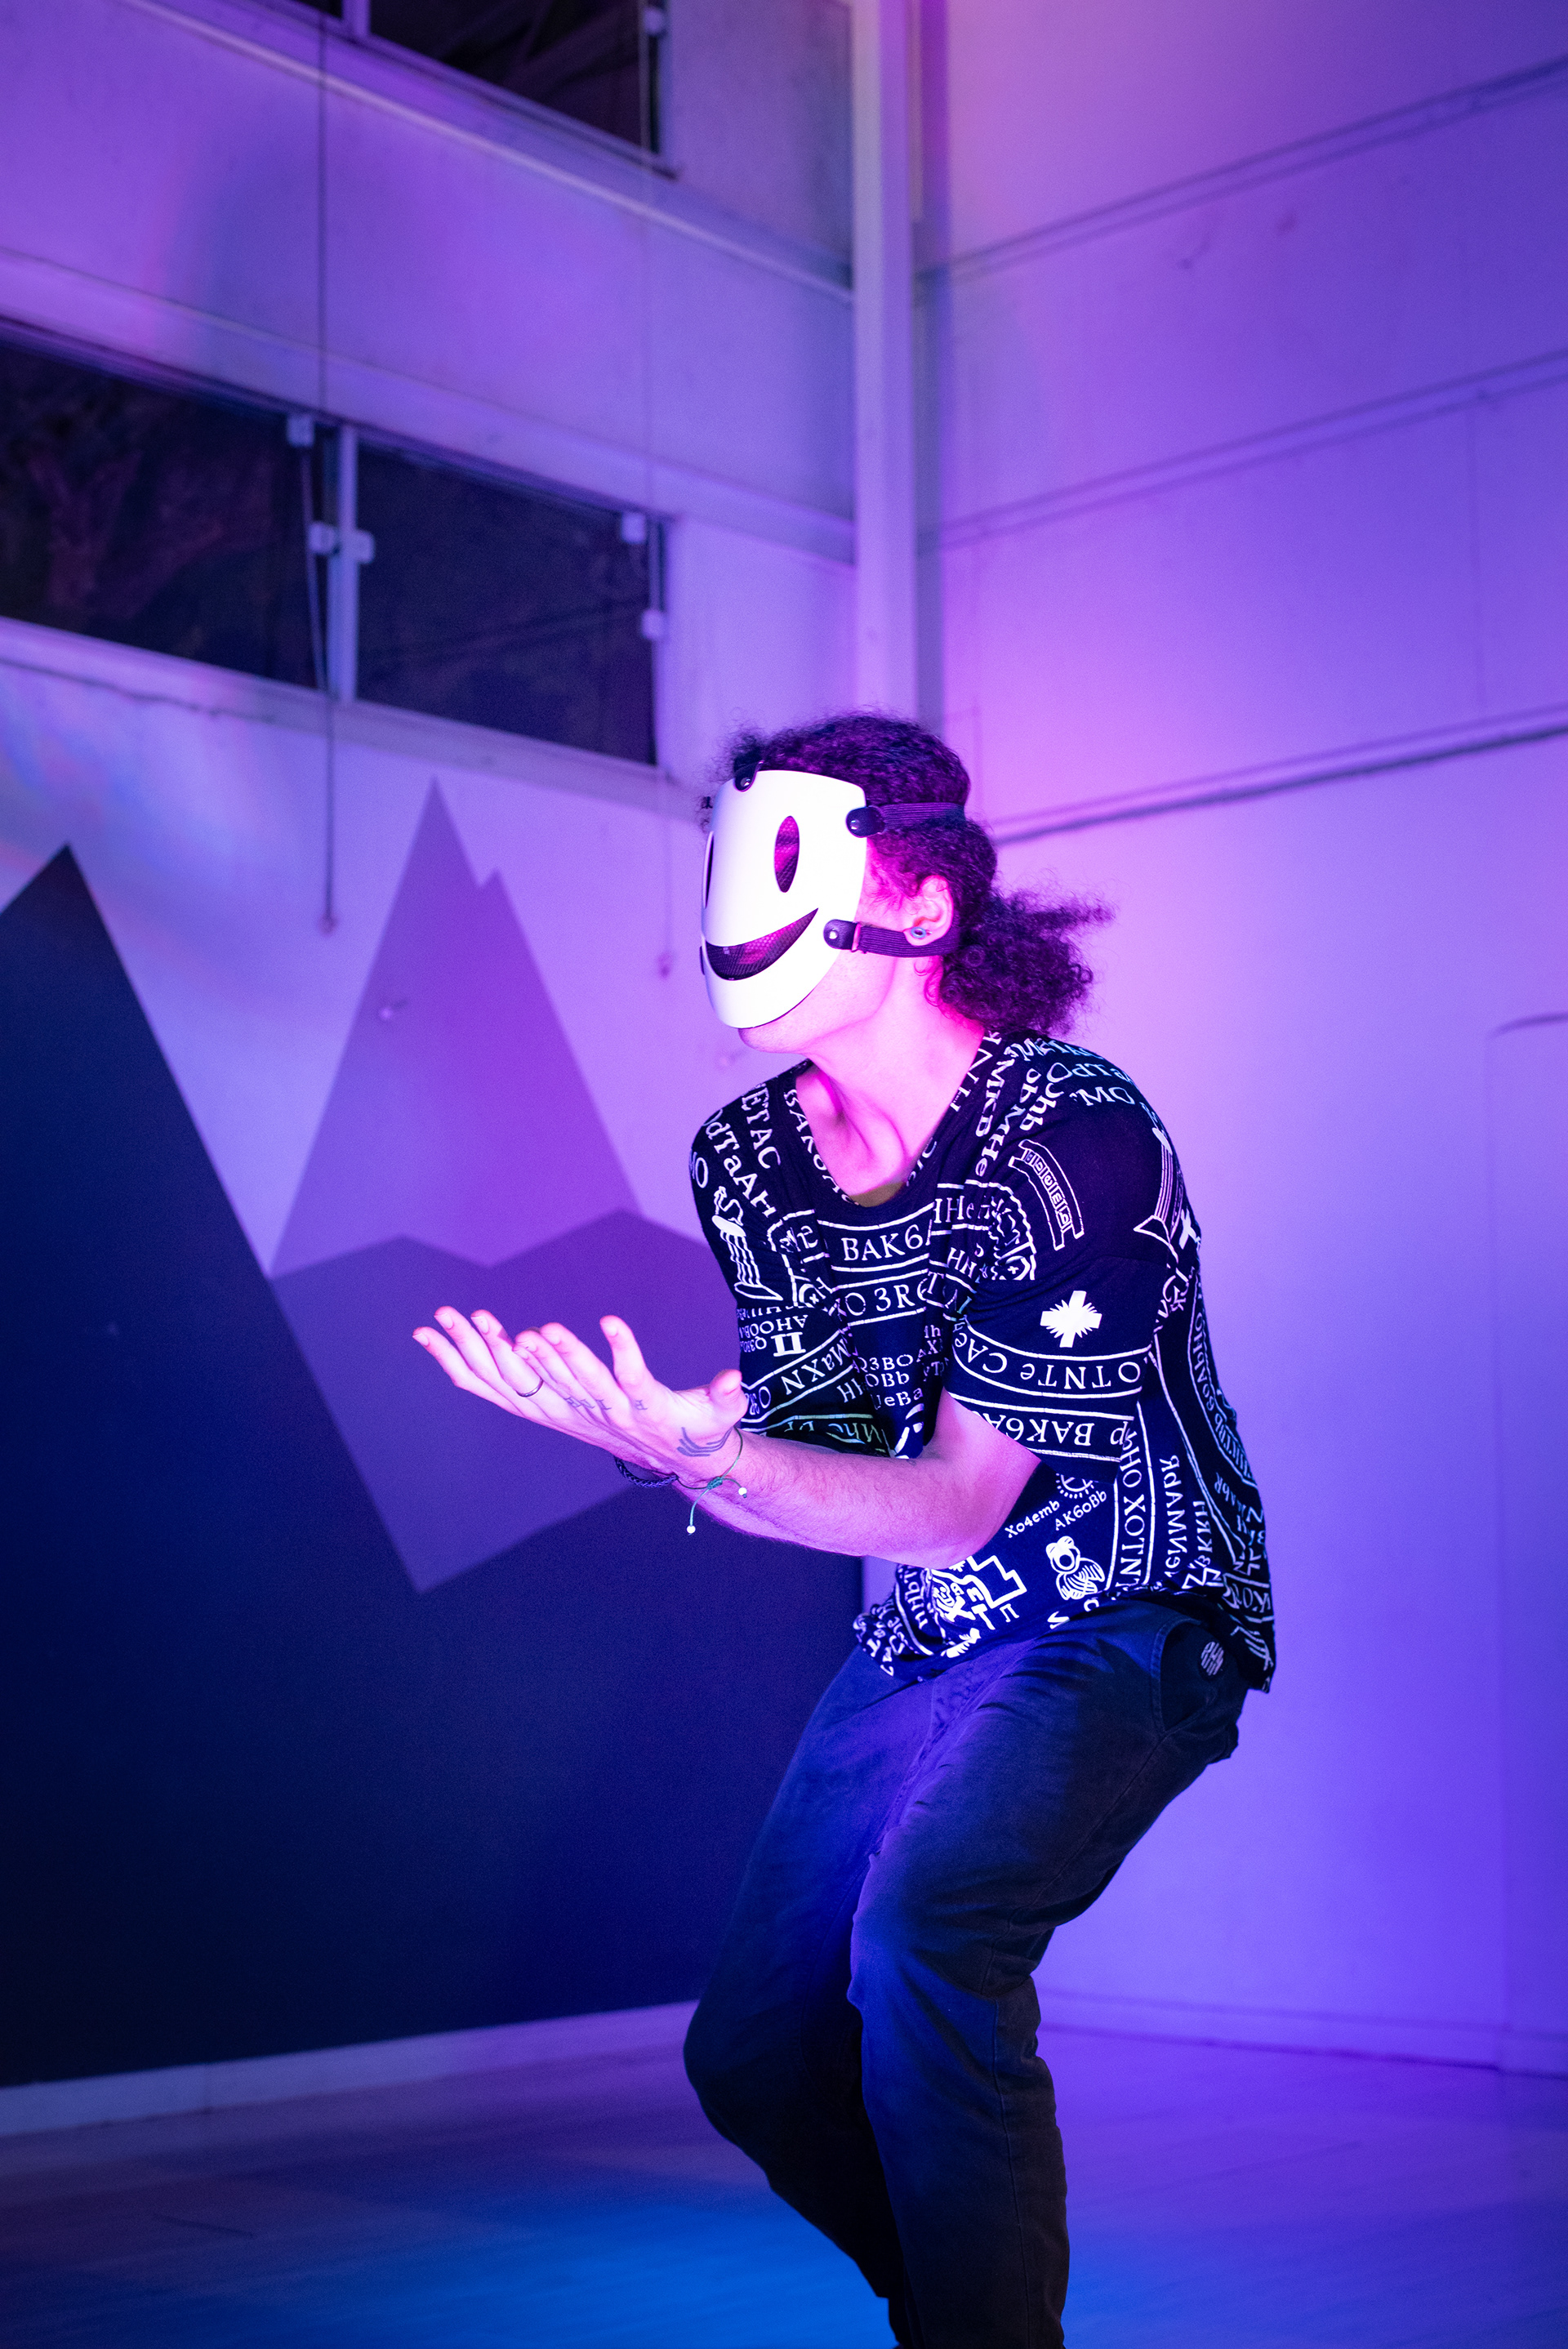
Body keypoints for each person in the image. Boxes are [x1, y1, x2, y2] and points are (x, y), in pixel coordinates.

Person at [415, 711, 1272, 2349]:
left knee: (929, 1933)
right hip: (931, 1631)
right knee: (754, 2049)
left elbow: (956, 1498)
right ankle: (962, 2304)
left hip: (1130, 1615)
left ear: (923, 908)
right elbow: (835, 1453)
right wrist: (680, 1445)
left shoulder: (1074, 1131)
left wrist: (712, 1454)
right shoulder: (748, 1159)